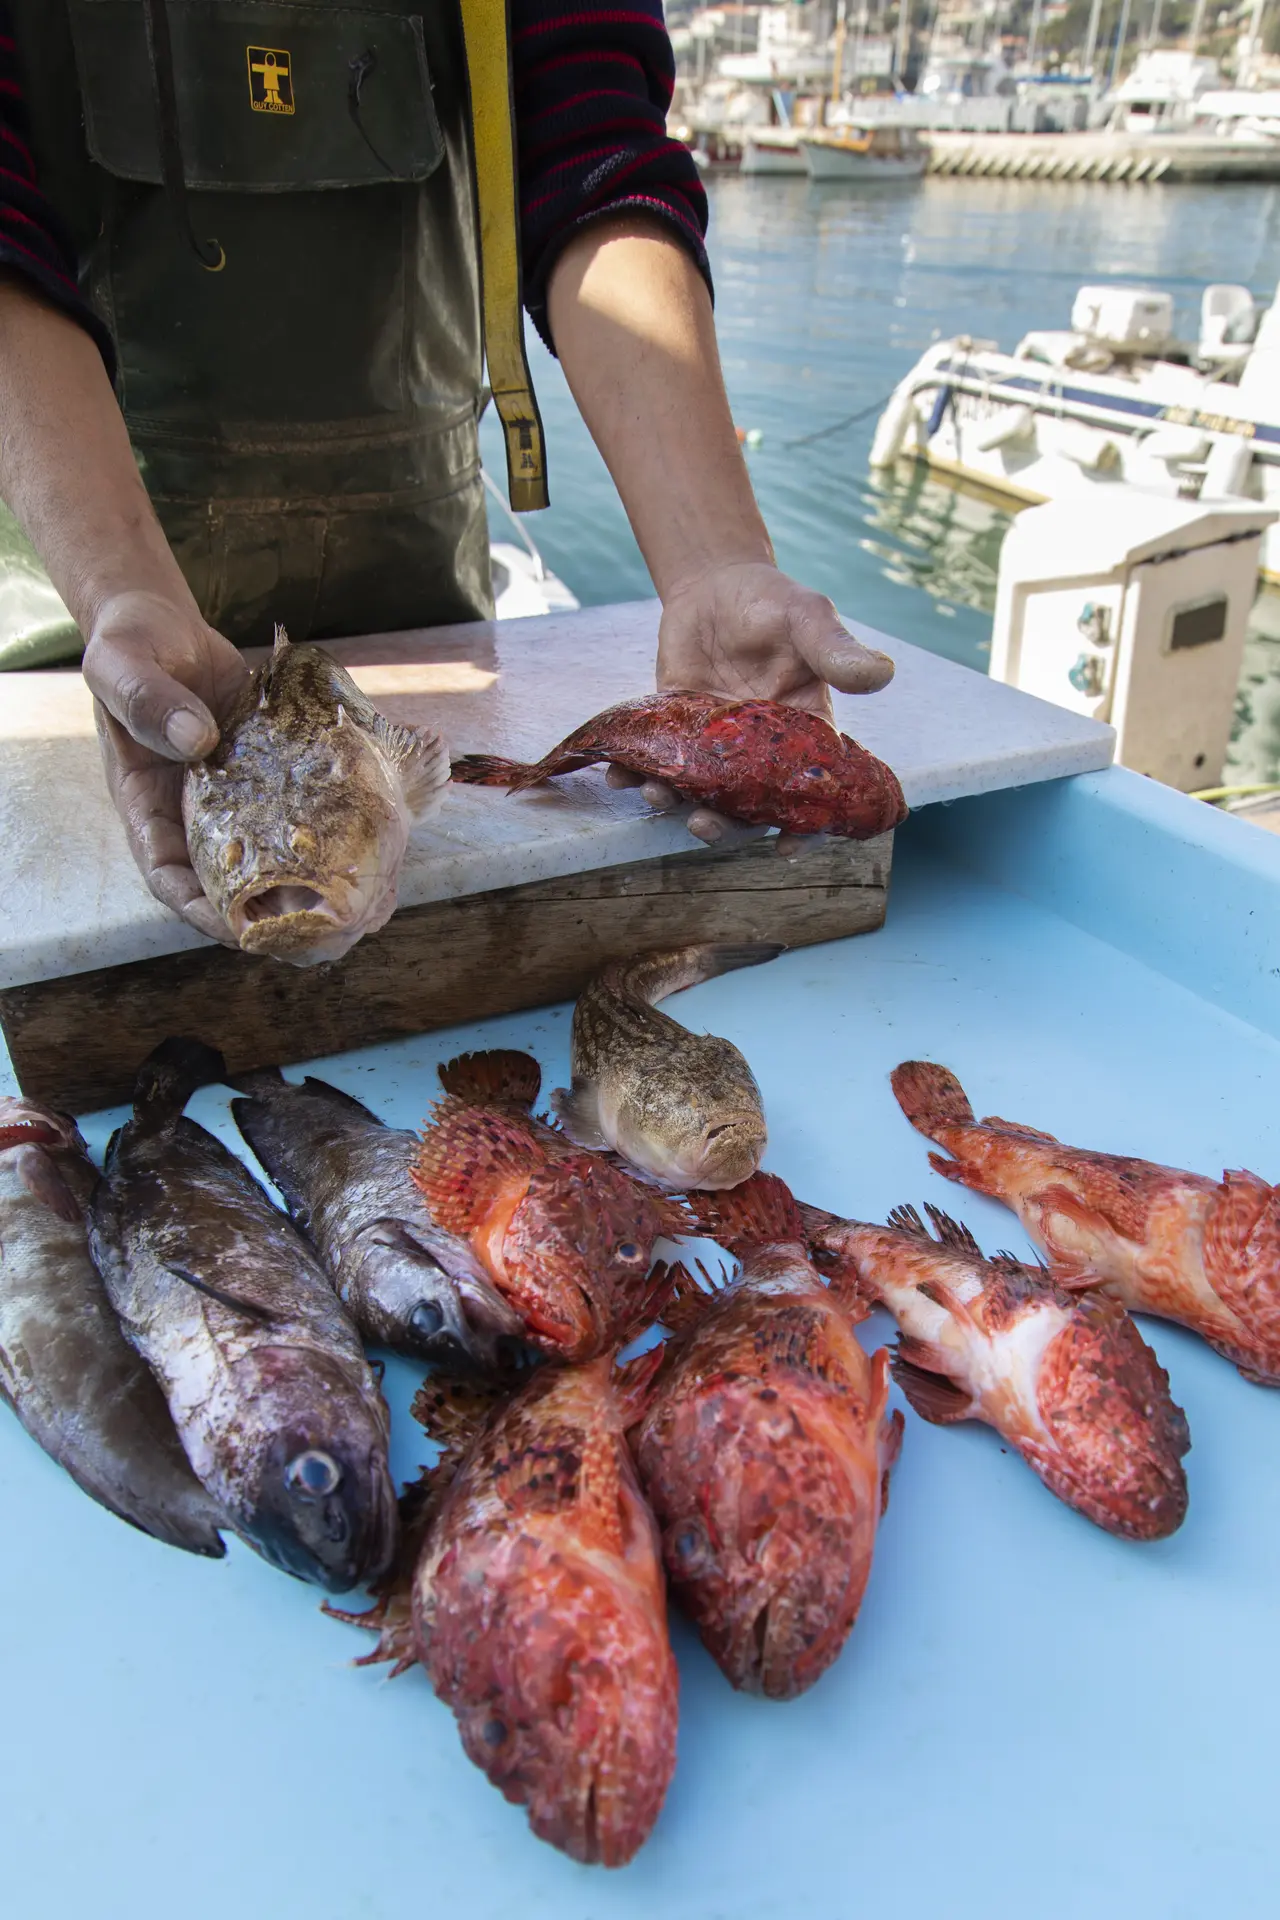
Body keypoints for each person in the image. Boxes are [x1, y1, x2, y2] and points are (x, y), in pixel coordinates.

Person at [0, 2, 892, 946]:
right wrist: (116, 590)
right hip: (88, 594)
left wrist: (714, 562)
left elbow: (596, 147)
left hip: (417, 571)